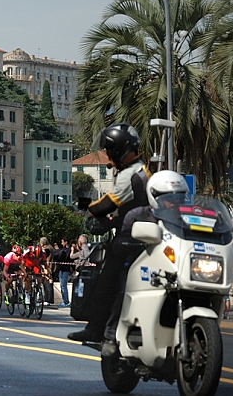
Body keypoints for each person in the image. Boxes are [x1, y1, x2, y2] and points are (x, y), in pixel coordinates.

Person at [68, 122, 150, 344]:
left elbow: (106, 204)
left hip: (130, 241)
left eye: (109, 151)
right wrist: (114, 220)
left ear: (118, 150)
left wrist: (86, 205)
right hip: (148, 238)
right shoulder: (145, 172)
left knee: (105, 284)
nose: (108, 157)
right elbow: (135, 208)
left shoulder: (129, 174)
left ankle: (97, 330)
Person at [54, 239, 72, 308]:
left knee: (64, 286)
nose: (62, 243)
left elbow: (64, 257)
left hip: (65, 269)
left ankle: (66, 301)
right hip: (61, 269)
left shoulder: (68, 250)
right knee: (62, 286)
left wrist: (58, 250)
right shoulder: (63, 249)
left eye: (62, 242)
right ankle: (64, 300)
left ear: (66, 242)